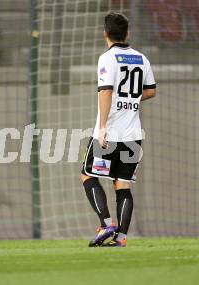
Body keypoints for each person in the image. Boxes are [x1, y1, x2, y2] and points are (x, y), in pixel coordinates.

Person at [80, 12, 156, 247]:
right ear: (127, 33)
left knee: (88, 175)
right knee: (122, 185)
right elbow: (151, 90)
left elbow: (105, 91)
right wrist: (130, 99)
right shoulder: (142, 59)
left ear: (105, 34)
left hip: (110, 133)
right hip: (133, 135)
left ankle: (106, 224)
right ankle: (121, 238)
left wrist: (102, 127)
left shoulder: (107, 58)